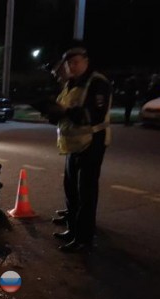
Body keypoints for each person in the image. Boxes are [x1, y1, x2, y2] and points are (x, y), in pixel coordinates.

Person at [45, 47, 112, 253]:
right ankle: (72, 230)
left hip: (92, 143)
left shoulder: (97, 82)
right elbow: (64, 109)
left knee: (86, 192)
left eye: (76, 62)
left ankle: (83, 239)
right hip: (73, 145)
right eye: (68, 63)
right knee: (71, 188)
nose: (71, 66)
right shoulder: (71, 84)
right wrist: (53, 113)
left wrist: (66, 112)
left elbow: (95, 115)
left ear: (86, 61)